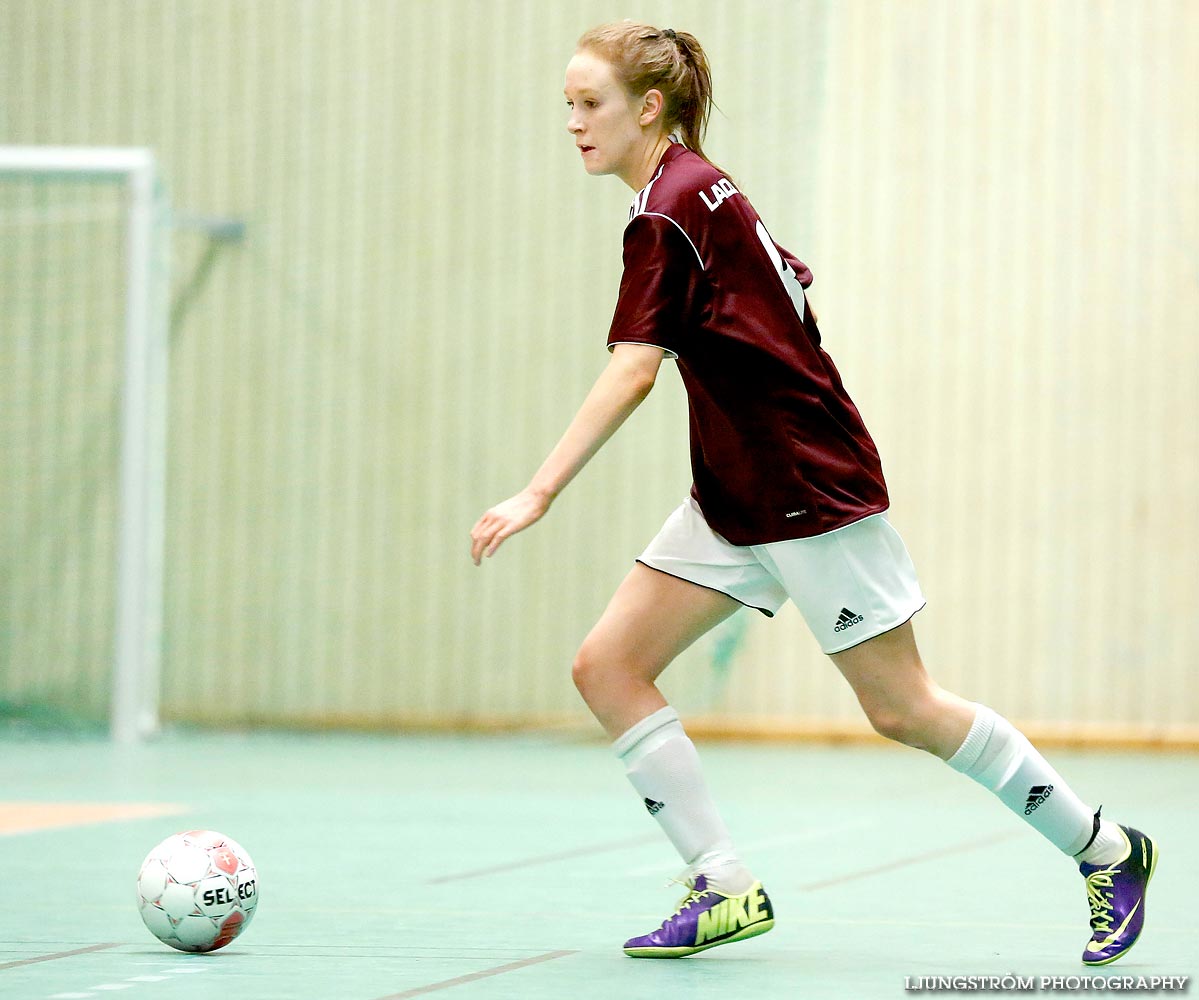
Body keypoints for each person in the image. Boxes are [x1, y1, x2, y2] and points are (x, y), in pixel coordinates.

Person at [469, 20, 1156, 964]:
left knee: (903, 709)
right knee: (607, 666)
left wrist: (536, 492)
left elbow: (634, 370)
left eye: (590, 104)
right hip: (733, 490)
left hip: (805, 487)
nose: (574, 122)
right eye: (568, 106)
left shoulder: (664, 213)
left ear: (649, 108)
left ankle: (1106, 851)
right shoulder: (706, 185)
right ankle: (723, 885)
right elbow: (790, 276)